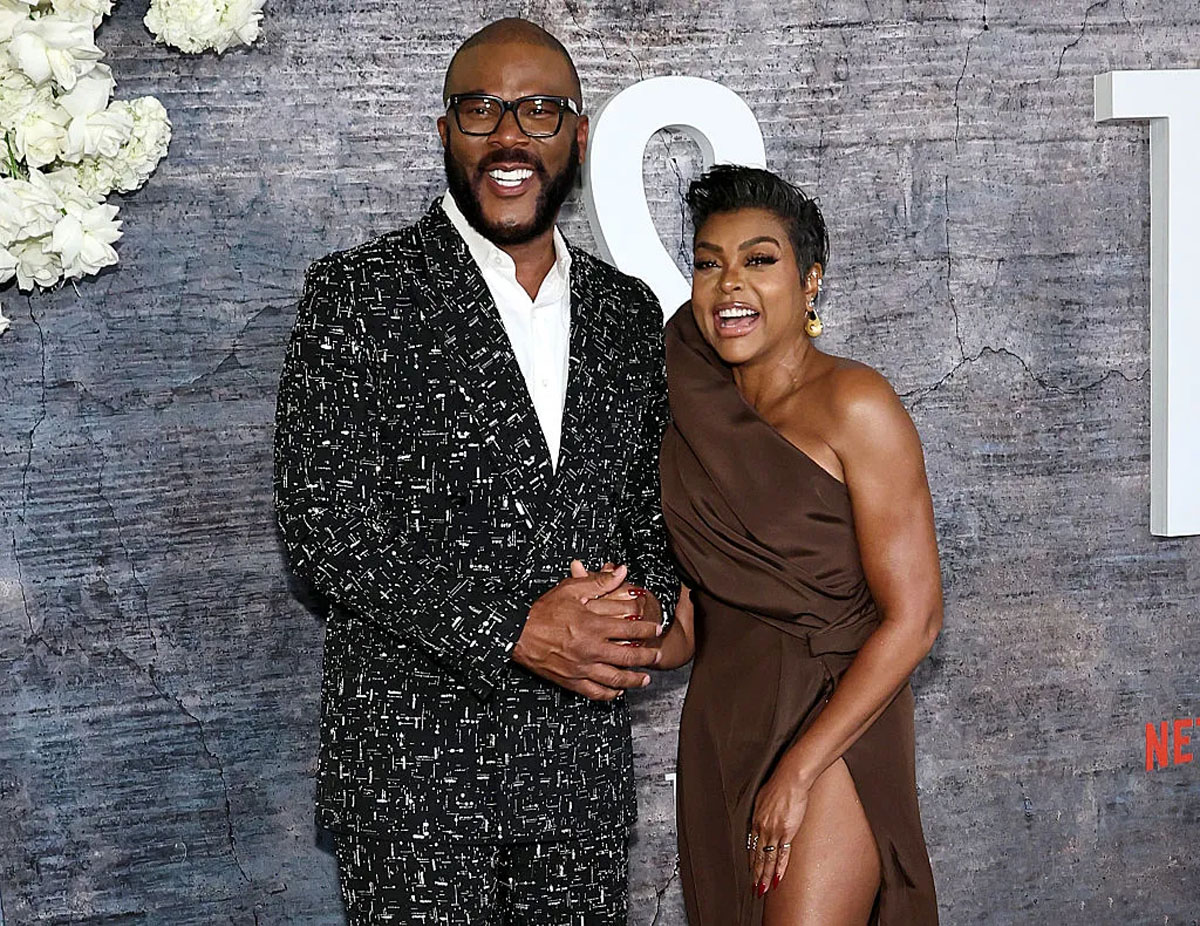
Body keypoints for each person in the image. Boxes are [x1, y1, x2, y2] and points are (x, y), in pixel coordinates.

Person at [272, 18, 677, 925]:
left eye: (539, 111)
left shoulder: (626, 312)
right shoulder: (359, 293)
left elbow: (652, 513)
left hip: (577, 779)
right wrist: (511, 630)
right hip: (415, 783)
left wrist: (639, 610)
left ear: (578, 135)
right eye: (481, 110)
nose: (509, 136)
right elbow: (322, 526)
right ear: (445, 130)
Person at [652, 164, 941, 925]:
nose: (729, 284)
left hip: (835, 719)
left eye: (759, 260)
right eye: (709, 263)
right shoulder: (687, 411)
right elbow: (692, 624)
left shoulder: (855, 403)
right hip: (724, 721)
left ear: (810, 282)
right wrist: (627, 635)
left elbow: (916, 619)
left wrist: (801, 769)